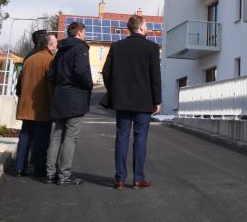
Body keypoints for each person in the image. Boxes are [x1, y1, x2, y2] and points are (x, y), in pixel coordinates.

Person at [102, 15, 161, 190]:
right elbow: (155, 77)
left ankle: (120, 178)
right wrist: (157, 100)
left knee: (122, 137)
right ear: (141, 27)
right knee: (140, 138)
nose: (148, 28)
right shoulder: (152, 47)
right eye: (146, 26)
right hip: (144, 101)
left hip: (122, 100)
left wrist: (114, 90)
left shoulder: (117, 46)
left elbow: (106, 72)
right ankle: (138, 179)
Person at [45, 21, 92, 186]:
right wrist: (89, 84)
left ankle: (50, 174)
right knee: (70, 137)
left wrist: (61, 84)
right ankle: (64, 175)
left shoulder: (60, 50)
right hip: (75, 98)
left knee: (56, 135)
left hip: (59, 97)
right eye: (84, 32)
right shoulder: (80, 48)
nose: (85, 35)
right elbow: (81, 71)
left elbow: (51, 75)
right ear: (79, 33)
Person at [13, 33, 56, 177]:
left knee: (25, 136)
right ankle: (39, 169)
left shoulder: (29, 59)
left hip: (26, 105)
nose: (57, 46)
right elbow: (50, 86)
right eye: (55, 43)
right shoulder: (49, 60)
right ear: (49, 45)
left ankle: (19, 168)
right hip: (41, 107)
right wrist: (54, 104)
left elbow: (20, 82)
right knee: (41, 140)